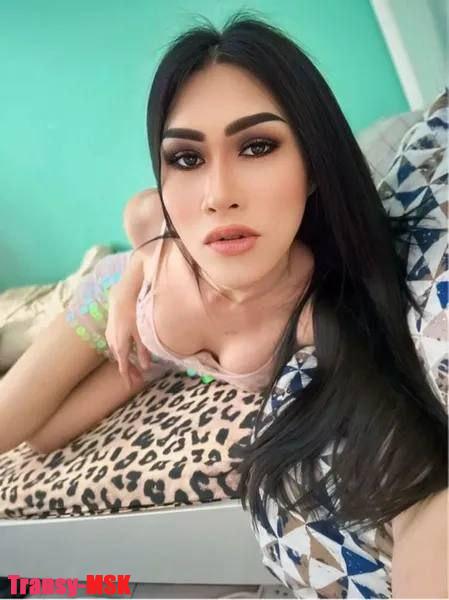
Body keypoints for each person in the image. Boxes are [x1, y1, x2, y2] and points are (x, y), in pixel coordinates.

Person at [0, 10, 447, 598]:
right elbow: (140, 216)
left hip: (164, 358)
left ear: (313, 167)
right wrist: (128, 289)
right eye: (187, 158)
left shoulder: (320, 315)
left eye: (257, 146)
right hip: (112, 309)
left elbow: (411, 460)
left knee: (44, 441)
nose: (217, 196)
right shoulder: (163, 234)